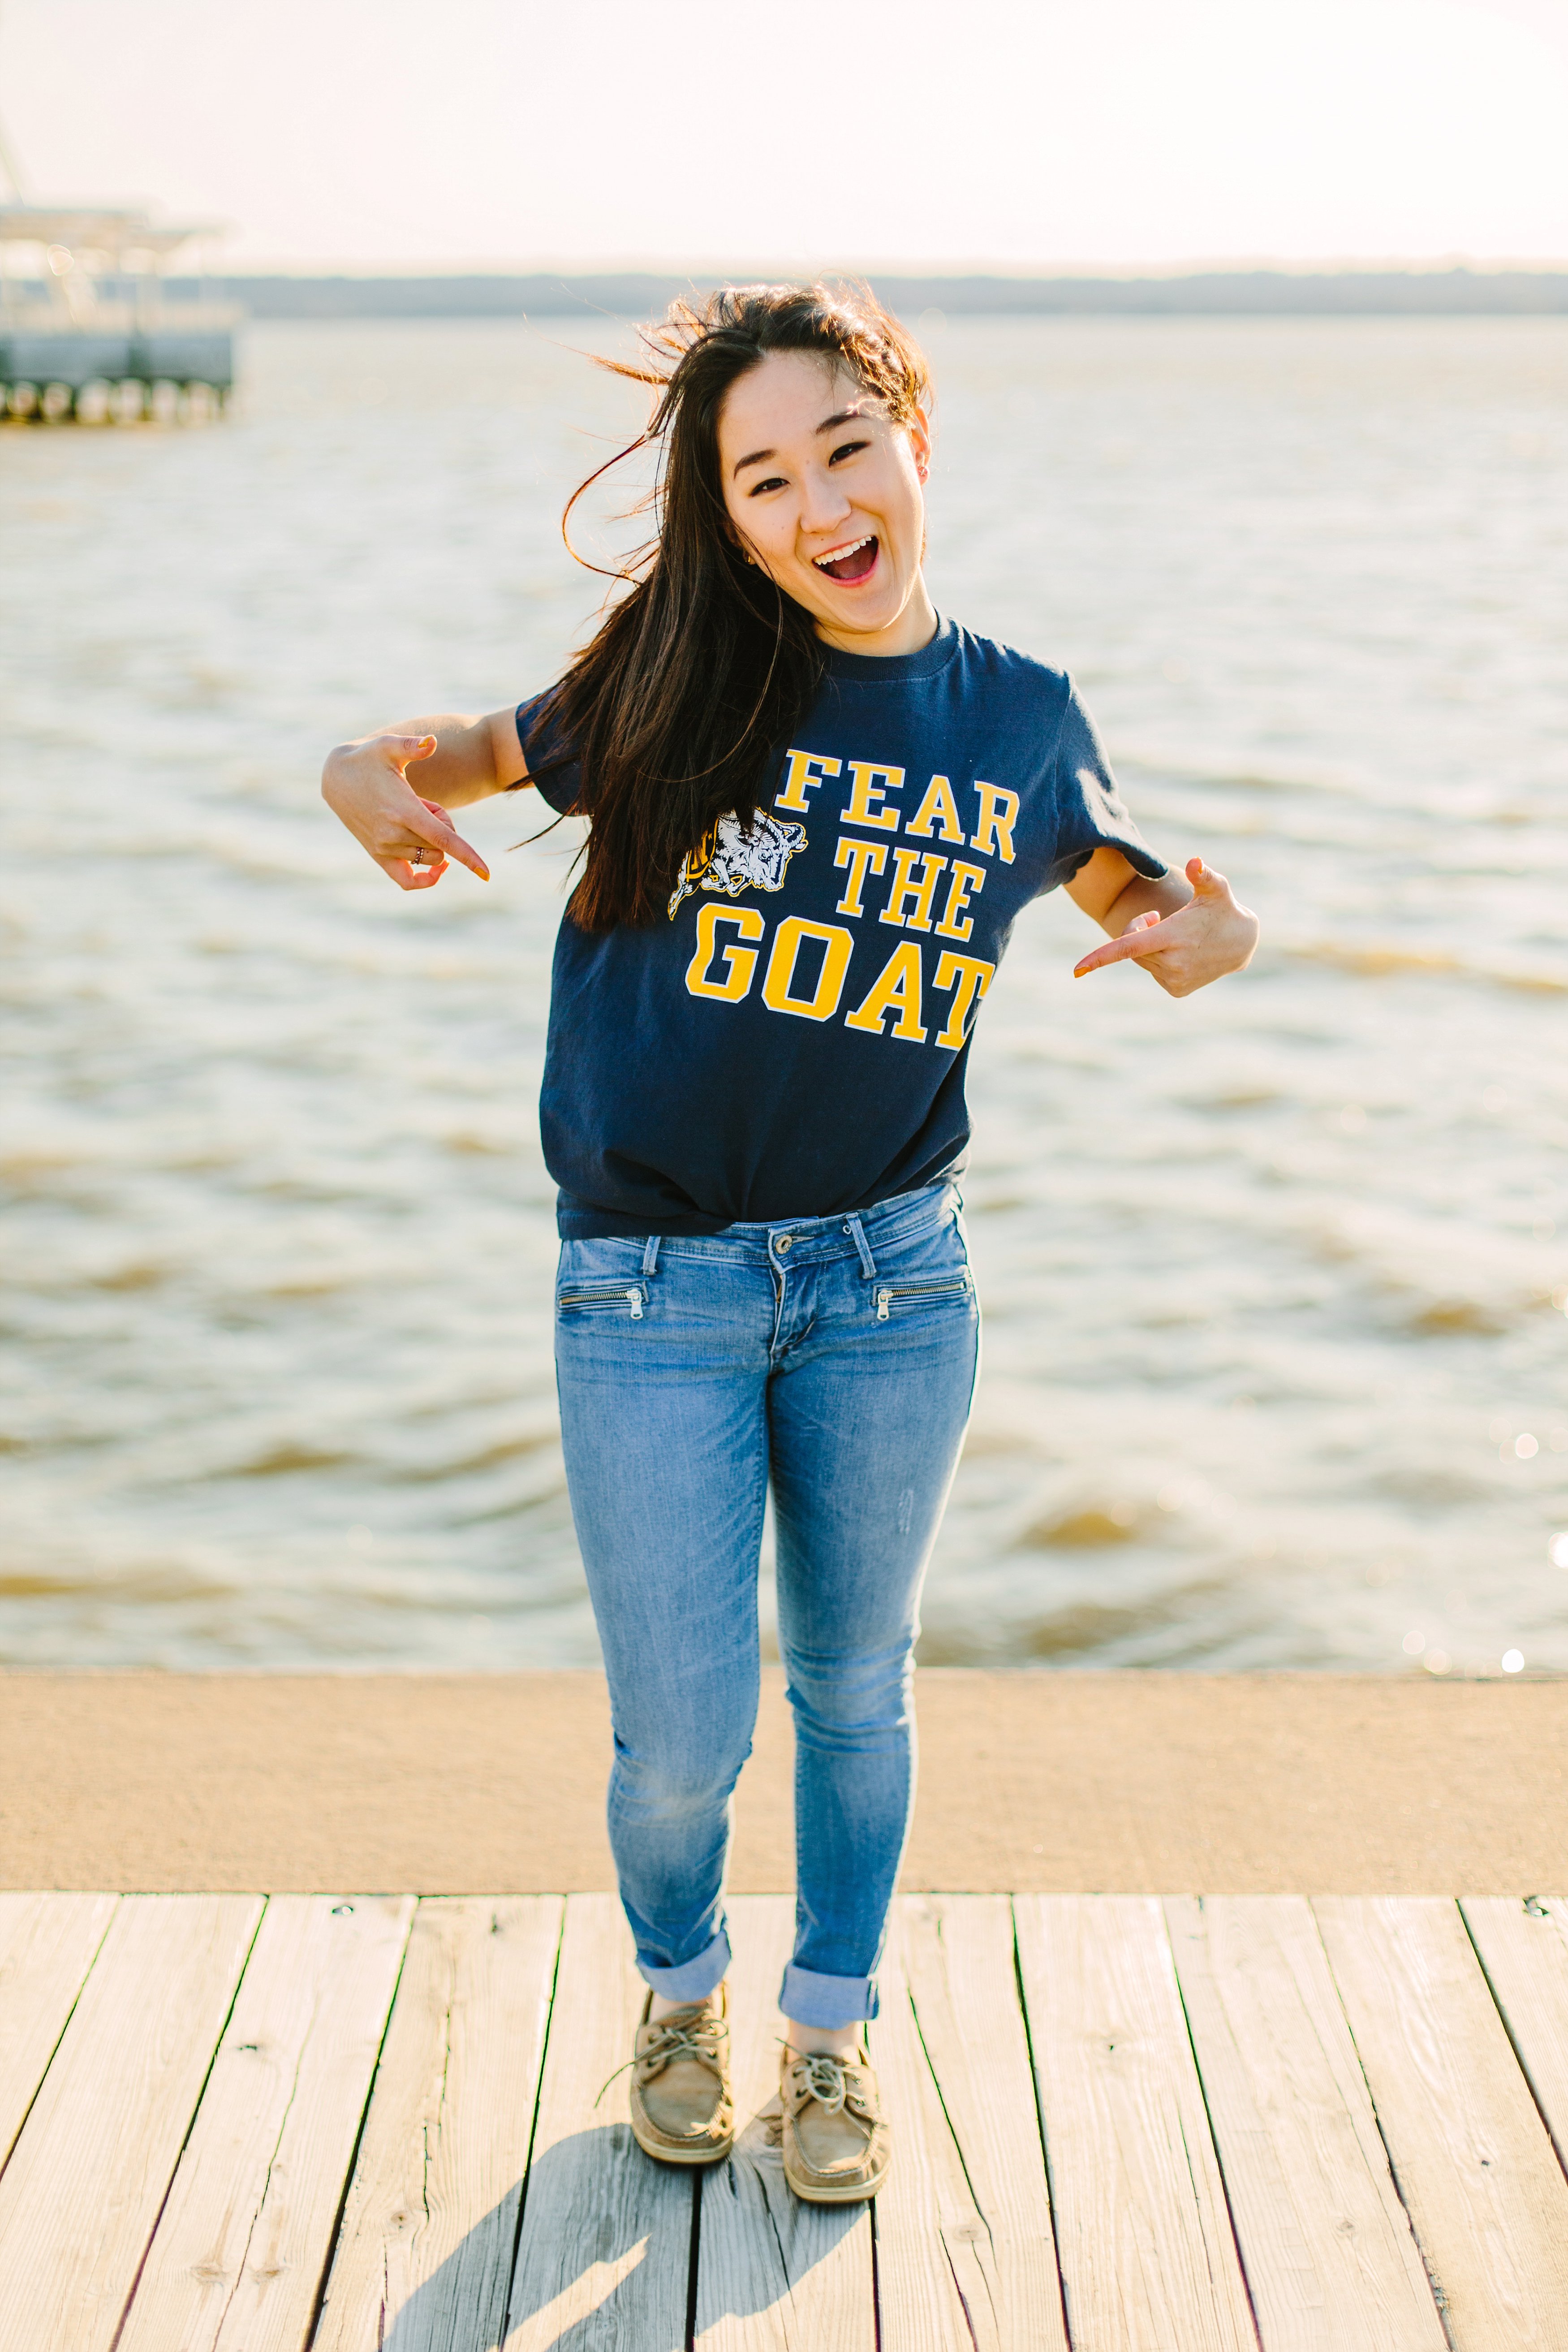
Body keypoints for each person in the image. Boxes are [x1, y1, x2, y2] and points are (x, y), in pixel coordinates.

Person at [321, 281, 1258, 2205]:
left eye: (844, 445)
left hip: (893, 1287)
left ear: (910, 435)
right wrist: (361, 770)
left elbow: (1144, 893)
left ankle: (827, 2039)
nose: (818, 501)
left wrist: (1205, 939)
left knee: (855, 1687)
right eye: (763, 475)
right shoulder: (676, 671)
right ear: (726, 512)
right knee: (681, 1735)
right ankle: (679, 1990)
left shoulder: (1016, 713)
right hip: (650, 1290)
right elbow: (450, 750)